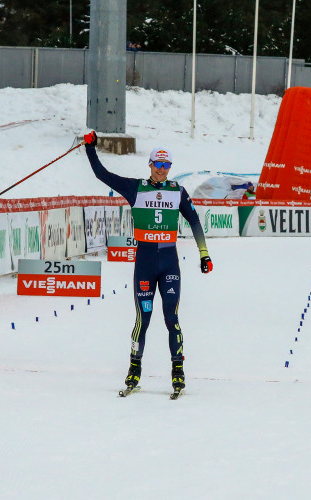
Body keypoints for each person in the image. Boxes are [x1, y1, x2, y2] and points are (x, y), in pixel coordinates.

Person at [83, 131, 213, 398]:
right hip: (144, 266)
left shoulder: (178, 191)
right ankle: (134, 371)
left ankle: (178, 373)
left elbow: (195, 222)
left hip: (169, 268)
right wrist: (90, 148)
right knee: (143, 319)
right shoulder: (136, 188)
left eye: (167, 166)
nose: (163, 170)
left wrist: (204, 254)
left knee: (171, 319)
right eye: (158, 164)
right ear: (150, 165)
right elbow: (102, 175)